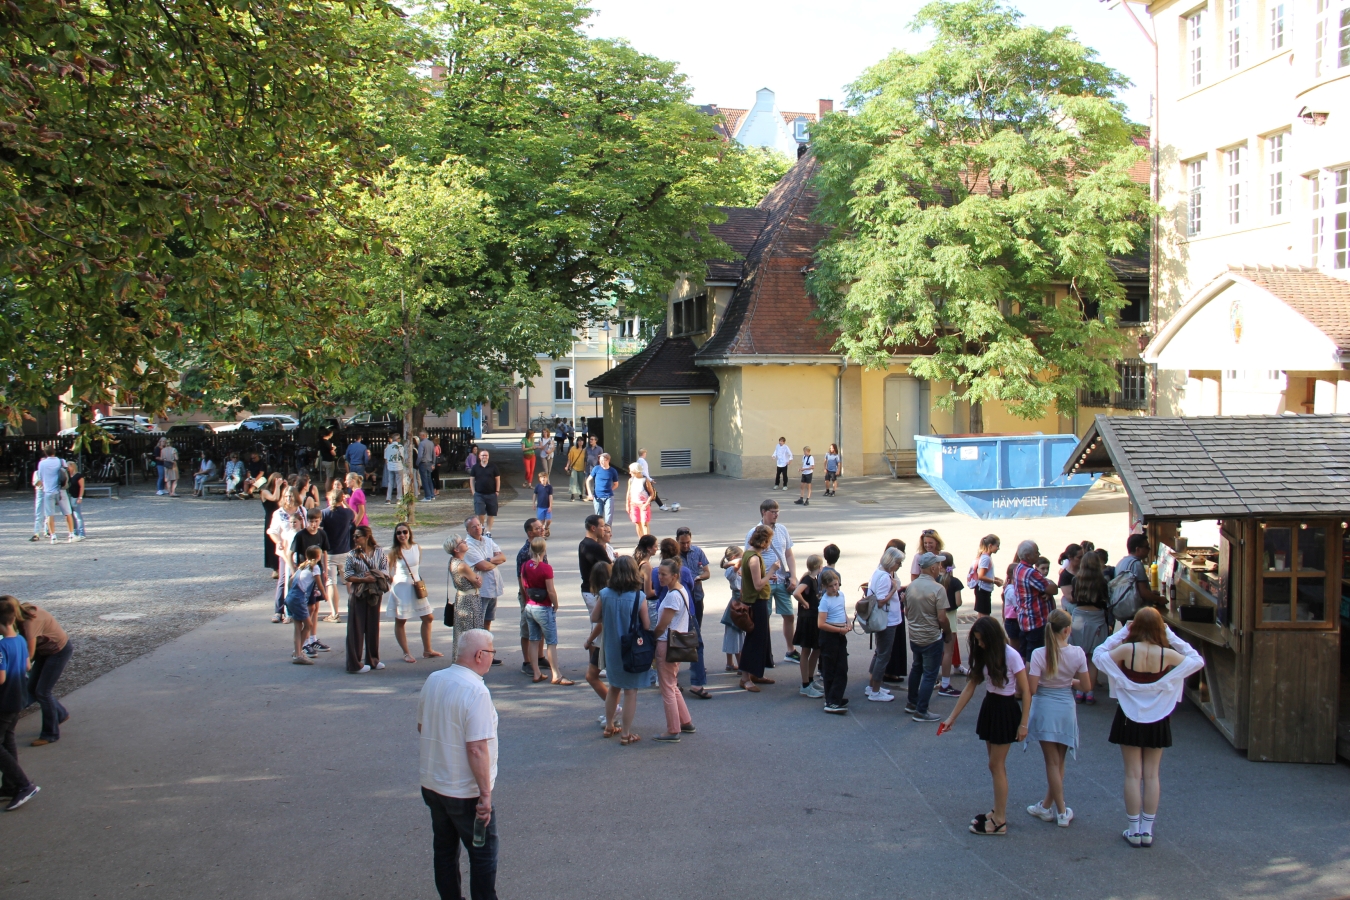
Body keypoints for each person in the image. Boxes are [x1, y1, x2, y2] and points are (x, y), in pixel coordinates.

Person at [1093, 607, 1204, 848]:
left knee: (1132, 774)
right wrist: (1171, 636)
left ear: (1135, 627)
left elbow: (1099, 654)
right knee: (1152, 774)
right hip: (1159, 715)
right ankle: (1147, 830)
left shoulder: (1127, 650)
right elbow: (1196, 660)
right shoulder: (1167, 654)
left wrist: (1122, 634)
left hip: (1128, 714)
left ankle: (1133, 830)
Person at [418, 628, 500, 900]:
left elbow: (422, 726)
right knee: (482, 854)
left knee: (444, 850)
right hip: (463, 791)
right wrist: (485, 795)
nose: (492, 658)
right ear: (480, 655)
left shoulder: (435, 679)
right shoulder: (476, 691)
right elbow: (477, 748)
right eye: (492, 652)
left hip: (433, 782)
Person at [941, 616, 1031, 836]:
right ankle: (997, 810)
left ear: (992, 637)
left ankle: (1000, 821)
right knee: (995, 766)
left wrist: (1024, 724)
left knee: (996, 765)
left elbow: (1027, 692)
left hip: (1005, 708)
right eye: (977, 640)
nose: (979, 644)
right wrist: (951, 717)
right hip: (991, 705)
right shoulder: (985, 653)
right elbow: (971, 686)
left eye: (982, 640)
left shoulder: (1011, 655)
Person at [1025, 609, 1090, 828]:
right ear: (1067, 630)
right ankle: (1048, 806)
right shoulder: (1077, 653)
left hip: (1044, 708)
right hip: (1065, 708)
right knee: (1059, 762)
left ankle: (1059, 810)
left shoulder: (1039, 654)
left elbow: (1033, 688)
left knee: (1051, 762)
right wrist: (1070, 682)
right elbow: (1087, 686)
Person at [598, 556, 651, 744]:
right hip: (630, 650)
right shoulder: (638, 596)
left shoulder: (605, 594)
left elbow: (595, 617)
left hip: (611, 648)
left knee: (613, 687)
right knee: (630, 691)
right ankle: (626, 733)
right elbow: (646, 624)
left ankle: (609, 725)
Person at [743, 499, 797, 664]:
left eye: (777, 511)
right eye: (772, 512)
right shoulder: (754, 532)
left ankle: (790, 650)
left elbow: (789, 554)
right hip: (764, 583)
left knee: (789, 615)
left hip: (781, 580)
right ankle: (766, 654)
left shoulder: (782, 529)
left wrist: (793, 576)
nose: (776, 515)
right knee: (763, 620)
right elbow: (748, 557)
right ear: (763, 512)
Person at [652, 558, 696, 743]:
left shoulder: (672, 596)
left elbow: (662, 626)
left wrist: (652, 638)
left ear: (674, 576)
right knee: (672, 684)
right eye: (659, 574)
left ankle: (673, 730)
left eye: (664, 574)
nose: (660, 577)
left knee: (667, 688)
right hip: (676, 643)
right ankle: (685, 721)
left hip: (666, 643)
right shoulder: (681, 590)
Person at [0, 597, 39, 810]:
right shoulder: (21, 641)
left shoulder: (1, 647)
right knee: (8, 740)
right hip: (18, 697)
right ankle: (10, 786)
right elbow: (27, 666)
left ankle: (24, 785)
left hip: (4, 700)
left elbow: (1, 678)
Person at [904, 552, 951, 721]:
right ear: (932, 568)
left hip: (915, 635)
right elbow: (942, 618)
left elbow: (907, 612)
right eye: (938, 565)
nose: (940, 567)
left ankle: (912, 702)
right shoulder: (938, 589)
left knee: (916, 667)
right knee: (930, 674)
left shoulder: (911, 586)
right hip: (931, 637)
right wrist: (947, 632)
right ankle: (921, 710)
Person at [17, 601, 71, 746]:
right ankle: (60, 714)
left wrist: (16, 670)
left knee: (42, 692)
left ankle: (50, 734)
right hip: (45, 650)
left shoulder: (29, 623)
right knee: (32, 689)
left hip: (58, 651)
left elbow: (30, 655)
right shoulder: (23, 613)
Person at [521, 537, 573, 686]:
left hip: (530, 606)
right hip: (543, 607)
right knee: (551, 642)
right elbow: (550, 590)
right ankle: (556, 674)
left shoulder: (525, 566)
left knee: (533, 640)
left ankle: (536, 672)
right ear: (544, 549)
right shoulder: (545, 568)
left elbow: (524, 586)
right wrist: (555, 603)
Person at [391, 525, 440, 664]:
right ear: (395, 535)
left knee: (428, 617)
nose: (402, 535)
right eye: (399, 533)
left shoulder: (416, 547)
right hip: (401, 588)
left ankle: (427, 650)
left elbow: (416, 567)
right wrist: (394, 583)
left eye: (404, 532)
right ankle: (406, 652)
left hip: (416, 586)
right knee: (401, 620)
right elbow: (388, 571)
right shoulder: (394, 552)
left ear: (409, 533)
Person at [737, 525, 777, 692]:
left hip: (755, 601)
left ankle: (755, 673)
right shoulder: (753, 558)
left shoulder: (749, 553)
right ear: (765, 541)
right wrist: (771, 571)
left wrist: (767, 576)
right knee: (754, 640)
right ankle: (745, 678)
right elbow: (758, 585)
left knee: (761, 639)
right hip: (756, 602)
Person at [344, 526, 388, 673]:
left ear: (367, 536)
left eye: (358, 536)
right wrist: (363, 578)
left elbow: (385, 570)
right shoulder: (352, 554)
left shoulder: (379, 551)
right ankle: (354, 664)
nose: (355, 539)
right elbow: (347, 575)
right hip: (359, 592)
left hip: (374, 592)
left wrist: (374, 575)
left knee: (372, 626)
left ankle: (373, 659)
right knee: (356, 628)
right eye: (354, 536)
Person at [1070, 550, 1111, 704]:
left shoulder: (1076, 579)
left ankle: (1079, 691)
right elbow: (1106, 599)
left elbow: (1074, 598)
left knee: (1079, 655)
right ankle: (1090, 692)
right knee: (1093, 657)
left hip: (1079, 615)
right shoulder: (1102, 581)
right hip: (1097, 616)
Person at [865, 547, 905, 703]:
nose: (899, 566)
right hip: (887, 620)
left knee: (879, 653)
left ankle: (873, 686)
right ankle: (875, 690)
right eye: (899, 562)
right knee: (883, 655)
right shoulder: (884, 577)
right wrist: (894, 590)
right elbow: (881, 601)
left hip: (884, 619)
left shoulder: (879, 572)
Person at [676, 527, 712, 700]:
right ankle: (689, 673)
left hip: (696, 597)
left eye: (688, 542)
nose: (685, 546)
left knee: (696, 633)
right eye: (682, 543)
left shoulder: (697, 551)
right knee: (680, 636)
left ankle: (696, 664)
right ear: (677, 541)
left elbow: (707, 572)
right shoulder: (673, 555)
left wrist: (698, 577)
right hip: (680, 602)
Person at [463, 515, 505, 659]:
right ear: (468, 530)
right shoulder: (468, 546)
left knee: (488, 621)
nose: (477, 528)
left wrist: (489, 560)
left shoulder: (487, 540)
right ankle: (476, 655)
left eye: (479, 525)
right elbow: (483, 566)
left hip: (493, 587)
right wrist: (493, 562)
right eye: (473, 526)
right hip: (481, 590)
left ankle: (486, 653)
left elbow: (502, 557)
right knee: (477, 624)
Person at [291, 513, 332, 656]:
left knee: (315, 607)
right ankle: (305, 643)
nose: (314, 524)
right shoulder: (301, 535)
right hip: (306, 577)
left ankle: (313, 639)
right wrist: (294, 571)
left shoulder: (321, 534)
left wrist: (325, 570)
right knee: (308, 609)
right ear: (306, 521)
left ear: (320, 521)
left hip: (317, 574)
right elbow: (291, 553)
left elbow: (325, 552)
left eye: (316, 521)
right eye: (311, 521)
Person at [1012, 540, 1059, 660]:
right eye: (1036, 552)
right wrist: (1049, 585)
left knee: (1025, 654)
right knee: (1034, 658)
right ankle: (1029, 673)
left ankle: (1024, 672)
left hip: (1025, 619)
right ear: (1028, 556)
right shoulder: (1031, 573)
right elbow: (1054, 589)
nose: (1039, 554)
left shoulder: (1018, 568)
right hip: (1036, 621)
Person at [445, 534, 485, 661]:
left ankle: (461, 658)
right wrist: (478, 577)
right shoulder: (462, 565)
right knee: (472, 630)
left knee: (462, 630)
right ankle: (470, 660)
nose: (465, 542)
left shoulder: (453, 562)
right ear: (456, 549)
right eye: (461, 542)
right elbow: (478, 582)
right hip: (470, 600)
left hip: (461, 599)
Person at [816, 568, 851, 713]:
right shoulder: (825, 601)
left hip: (840, 634)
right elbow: (821, 624)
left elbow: (842, 611)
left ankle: (834, 697)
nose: (835, 588)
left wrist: (848, 622)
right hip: (829, 637)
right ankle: (831, 701)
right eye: (831, 586)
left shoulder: (841, 595)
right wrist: (840, 630)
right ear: (825, 586)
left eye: (836, 584)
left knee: (842, 668)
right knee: (830, 669)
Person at [267, 490, 304, 624]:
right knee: (284, 579)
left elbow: (305, 528)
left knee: (300, 580)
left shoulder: (302, 511)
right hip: (285, 550)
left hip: (300, 551)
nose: (288, 499)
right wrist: (278, 541)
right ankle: (279, 610)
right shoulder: (279, 513)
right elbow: (272, 531)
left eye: (291, 496)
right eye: (286, 496)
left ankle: (296, 609)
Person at [285, 547, 325, 664]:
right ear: (318, 556)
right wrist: (324, 594)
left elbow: (290, 581)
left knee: (298, 627)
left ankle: (297, 651)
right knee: (308, 625)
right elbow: (319, 584)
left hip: (291, 597)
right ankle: (298, 654)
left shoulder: (302, 566)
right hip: (299, 599)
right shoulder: (315, 567)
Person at [792, 555, 824, 699]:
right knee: (806, 650)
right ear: (819, 567)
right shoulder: (808, 580)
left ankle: (810, 680)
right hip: (808, 620)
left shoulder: (813, 579)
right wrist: (805, 603)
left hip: (813, 619)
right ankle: (805, 684)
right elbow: (796, 592)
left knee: (816, 649)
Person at [320, 487, 355, 622]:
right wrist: (345, 503)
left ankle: (334, 613)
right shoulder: (347, 513)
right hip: (345, 551)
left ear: (329, 499)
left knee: (331, 582)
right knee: (349, 581)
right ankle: (354, 609)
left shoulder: (324, 513)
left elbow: (321, 532)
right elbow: (354, 514)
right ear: (342, 499)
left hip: (329, 553)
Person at [1114, 533, 1166, 620]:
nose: (1149, 550)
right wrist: (1159, 599)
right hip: (1135, 612)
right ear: (1137, 549)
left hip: (1123, 608)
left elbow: (1133, 588)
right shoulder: (1137, 564)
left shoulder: (1121, 562)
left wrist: (1151, 594)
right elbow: (1143, 592)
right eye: (1146, 547)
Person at [37, 444, 78, 541]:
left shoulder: (42, 463)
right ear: (54, 451)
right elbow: (66, 473)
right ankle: (71, 534)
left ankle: (53, 536)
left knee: (49, 514)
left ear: (45, 453)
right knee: (67, 513)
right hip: (61, 490)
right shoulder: (61, 461)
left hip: (48, 491)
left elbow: (40, 478)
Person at [720, 546, 745, 672]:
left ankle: (729, 663)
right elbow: (738, 564)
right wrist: (735, 563)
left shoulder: (737, 569)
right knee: (736, 634)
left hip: (736, 602)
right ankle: (741, 665)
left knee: (731, 634)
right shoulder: (732, 570)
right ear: (734, 557)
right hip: (737, 604)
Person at [469, 450, 500, 537]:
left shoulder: (493, 467)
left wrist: (497, 491)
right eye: (482, 455)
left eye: (486, 455)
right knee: (480, 513)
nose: (484, 457)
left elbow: (498, 479)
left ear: (488, 457)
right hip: (479, 494)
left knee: (491, 513)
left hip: (491, 493)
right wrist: (473, 492)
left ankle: (488, 531)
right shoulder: (475, 467)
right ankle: (482, 527)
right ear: (479, 456)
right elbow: (472, 480)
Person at [971, 534, 1003, 618]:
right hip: (983, 590)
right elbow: (981, 576)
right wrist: (994, 581)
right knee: (984, 616)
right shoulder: (986, 558)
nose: (998, 548)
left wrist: (996, 579)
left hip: (983, 589)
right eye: (997, 546)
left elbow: (986, 573)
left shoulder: (986, 557)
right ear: (990, 546)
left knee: (982, 615)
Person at [260, 473, 285, 578]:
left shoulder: (281, 490)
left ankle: (282, 565)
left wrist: (286, 487)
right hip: (270, 519)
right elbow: (274, 498)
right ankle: (275, 567)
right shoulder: (265, 491)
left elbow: (282, 502)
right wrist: (278, 486)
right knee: (271, 543)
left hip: (280, 518)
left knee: (282, 541)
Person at [587, 453, 619, 525]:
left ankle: (607, 531)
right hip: (597, 497)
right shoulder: (596, 468)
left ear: (608, 460)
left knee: (608, 518)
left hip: (609, 497)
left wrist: (610, 489)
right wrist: (589, 493)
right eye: (600, 460)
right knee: (598, 518)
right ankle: (599, 532)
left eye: (603, 460)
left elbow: (616, 484)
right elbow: (588, 480)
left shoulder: (612, 471)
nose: (601, 462)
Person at [625, 462, 652, 538]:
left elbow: (652, 493)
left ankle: (647, 541)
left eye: (631, 471)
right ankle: (641, 540)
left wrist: (646, 504)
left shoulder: (645, 480)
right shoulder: (631, 480)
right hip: (633, 504)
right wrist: (627, 504)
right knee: (637, 522)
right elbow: (628, 492)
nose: (629, 472)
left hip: (643, 504)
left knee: (644, 523)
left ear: (636, 471)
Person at [1001, 562, 1021, 652]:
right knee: (1015, 648)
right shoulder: (1011, 590)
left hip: (1014, 621)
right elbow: (1018, 606)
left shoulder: (1012, 588)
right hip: (1013, 621)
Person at [1057, 543, 1083, 613]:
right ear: (1070, 557)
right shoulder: (1065, 575)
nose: (1082, 560)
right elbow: (1071, 599)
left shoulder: (1086, 570)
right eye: (1079, 557)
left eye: (1083, 557)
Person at [65, 462, 86, 538]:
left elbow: (82, 487)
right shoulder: (67, 476)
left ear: (73, 467)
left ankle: (81, 533)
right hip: (69, 497)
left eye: (68, 467)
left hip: (75, 497)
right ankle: (74, 531)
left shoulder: (78, 476)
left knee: (77, 515)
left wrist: (80, 497)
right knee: (70, 515)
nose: (67, 468)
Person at [416, 431, 437, 503]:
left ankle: (427, 496)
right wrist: (433, 463)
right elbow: (434, 454)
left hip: (423, 462)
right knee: (429, 479)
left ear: (423, 436)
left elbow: (420, 455)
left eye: (420, 435)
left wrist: (417, 463)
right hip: (430, 463)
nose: (419, 437)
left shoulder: (422, 444)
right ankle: (432, 495)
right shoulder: (431, 443)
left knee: (424, 480)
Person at [385, 436, 406, 504]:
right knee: (399, 483)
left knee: (390, 483)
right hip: (398, 466)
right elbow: (402, 457)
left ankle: (388, 499)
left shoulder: (388, 447)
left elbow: (386, 458)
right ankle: (399, 498)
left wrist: (388, 465)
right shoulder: (400, 447)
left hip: (390, 466)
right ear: (397, 439)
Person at [533, 471, 554, 538]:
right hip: (540, 506)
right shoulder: (538, 486)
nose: (543, 479)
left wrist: (550, 506)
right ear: (539, 479)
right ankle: (542, 534)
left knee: (549, 520)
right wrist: (533, 503)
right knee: (541, 521)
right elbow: (535, 495)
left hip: (547, 507)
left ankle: (546, 528)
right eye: (541, 477)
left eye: (544, 477)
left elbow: (550, 496)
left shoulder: (549, 487)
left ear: (547, 478)